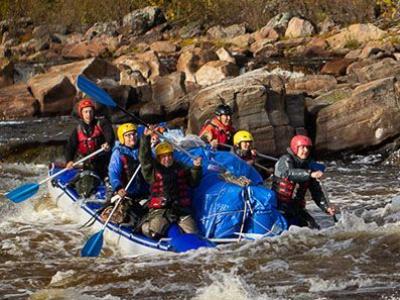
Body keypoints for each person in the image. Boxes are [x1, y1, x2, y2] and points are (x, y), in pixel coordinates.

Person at [139, 127, 202, 239]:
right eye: (163, 157)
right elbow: (145, 158)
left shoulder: (181, 168)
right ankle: (145, 226)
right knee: (154, 233)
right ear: (158, 158)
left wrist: (196, 168)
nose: (167, 159)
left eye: (169, 155)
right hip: (161, 210)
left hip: (180, 210)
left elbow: (193, 183)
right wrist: (146, 138)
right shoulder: (152, 171)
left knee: (194, 235)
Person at [272, 135, 336, 229]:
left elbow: (316, 191)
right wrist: (309, 174)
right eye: (302, 147)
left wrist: (326, 207)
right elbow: (289, 173)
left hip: (296, 208)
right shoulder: (285, 160)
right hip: (279, 205)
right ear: (295, 148)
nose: (305, 150)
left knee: (313, 228)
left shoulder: (309, 166)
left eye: (307, 148)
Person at [101, 123, 148, 226]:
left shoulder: (144, 149)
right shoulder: (118, 153)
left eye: (134, 134)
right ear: (122, 138)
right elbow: (113, 173)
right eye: (128, 135)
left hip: (144, 193)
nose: (132, 137)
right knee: (124, 213)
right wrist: (118, 187)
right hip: (126, 194)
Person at [65, 98, 115, 180]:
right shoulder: (77, 130)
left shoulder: (102, 123)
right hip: (88, 164)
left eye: (90, 111)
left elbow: (110, 135)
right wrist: (69, 160)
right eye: (86, 112)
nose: (89, 114)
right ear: (81, 113)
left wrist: (108, 143)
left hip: (104, 162)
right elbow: (70, 146)